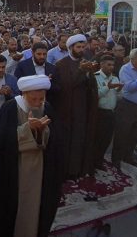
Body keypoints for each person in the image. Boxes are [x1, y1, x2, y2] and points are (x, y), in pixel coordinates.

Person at [0, 75, 64, 237]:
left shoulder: (47, 108)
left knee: (35, 210)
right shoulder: (10, 108)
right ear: (24, 95)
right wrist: (28, 129)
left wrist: (42, 131)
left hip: (40, 171)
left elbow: (56, 140)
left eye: (41, 98)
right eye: (33, 99)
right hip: (14, 170)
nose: (38, 103)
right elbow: (0, 142)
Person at [49, 34, 98, 179]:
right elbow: (65, 87)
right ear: (71, 48)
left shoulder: (85, 62)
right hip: (65, 110)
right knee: (66, 140)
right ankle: (65, 171)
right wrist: (80, 71)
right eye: (78, 47)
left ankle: (77, 170)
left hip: (81, 109)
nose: (81, 49)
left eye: (83, 47)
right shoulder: (61, 65)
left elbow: (91, 87)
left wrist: (89, 73)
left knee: (78, 139)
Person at [112, 48, 137, 169]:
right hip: (128, 106)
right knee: (122, 132)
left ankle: (128, 156)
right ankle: (116, 158)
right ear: (133, 59)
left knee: (135, 133)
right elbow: (129, 87)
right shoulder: (125, 69)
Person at [93, 55, 121, 169]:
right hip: (100, 113)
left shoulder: (115, 78)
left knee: (107, 139)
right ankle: (92, 162)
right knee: (97, 139)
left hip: (111, 113)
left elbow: (118, 96)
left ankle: (99, 160)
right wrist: (107, 87)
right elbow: (96, 95)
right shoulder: (96, 77)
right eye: (109, 65)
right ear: (102, 64)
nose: (111, 67)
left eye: (113, 65)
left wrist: (119, 90)